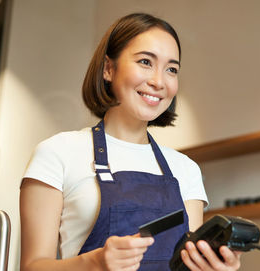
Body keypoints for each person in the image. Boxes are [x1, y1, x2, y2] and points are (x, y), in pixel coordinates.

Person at [19, 13, 242, 271]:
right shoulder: (58, 153)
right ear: (108, 69)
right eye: (145, 62)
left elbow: (188, 264)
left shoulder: (186, 169)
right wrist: (95, 262)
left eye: (171, 69)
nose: (158, 81)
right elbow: (33, 266)